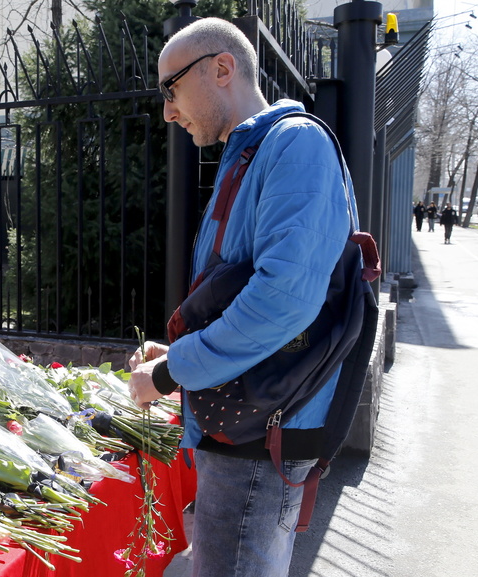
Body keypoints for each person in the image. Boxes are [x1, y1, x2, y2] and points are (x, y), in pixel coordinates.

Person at [126, 18, 360, 577]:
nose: (168, 111)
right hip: (248, 422)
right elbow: (235, 293)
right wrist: (180, 352)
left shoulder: (294, 145)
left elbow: (282, 299)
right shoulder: (251, 153)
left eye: (171, 89)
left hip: (260, 435)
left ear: (222, 69)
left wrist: (171, 373)